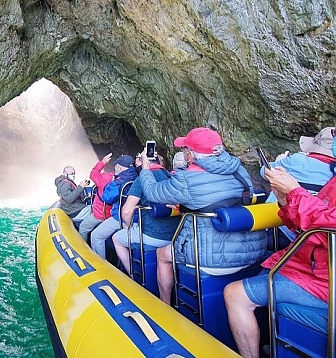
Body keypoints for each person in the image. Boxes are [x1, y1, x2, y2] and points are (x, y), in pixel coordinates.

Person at [139, 127, 266, 304]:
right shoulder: (240, 171)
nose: (184, 154)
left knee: (162, 254)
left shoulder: (186, 179)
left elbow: (153, 192)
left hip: (210, 256)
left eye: (184, 150)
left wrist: (146, 168)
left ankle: (165, 305)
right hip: (252, 251)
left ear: (190, 155)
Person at [224, 162, 336, 358]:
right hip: (315, 267)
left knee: (234, 294)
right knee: (264, 272)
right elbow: (309, 225)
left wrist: (295, 191)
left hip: (325, 279)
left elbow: (327, 226)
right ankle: (271, 344)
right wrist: (285, 199)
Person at [259, 126, 335, 242]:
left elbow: (265, 172)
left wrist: (281, 160)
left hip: (281, 226)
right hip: (301, 232)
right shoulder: (332, 173)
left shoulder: (297, 159)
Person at [113, 154, 179, 275]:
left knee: (116, 238)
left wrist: (129, 226)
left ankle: (132, 275)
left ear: (144, 162)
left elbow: (126, 212)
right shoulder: (172, 177)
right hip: (176, 235)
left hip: (153, 235)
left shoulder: (141, 179)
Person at [90, 154, 138, 259]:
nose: (114, 167)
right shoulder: (137, 176)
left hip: (121, 217)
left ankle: (101, 263)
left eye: (116, 166)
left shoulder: (119, 181)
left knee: (96, 236)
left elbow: (106, 197)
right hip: (137, 217)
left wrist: (110, 183)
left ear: (120, 167)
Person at [78, 153, 115, 242]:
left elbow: (93, 174)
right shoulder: (126, 179)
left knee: (83, 228)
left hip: (101, 214)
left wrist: (103, 162)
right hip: (113, 215)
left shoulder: (106, 178)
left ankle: (84, 249)